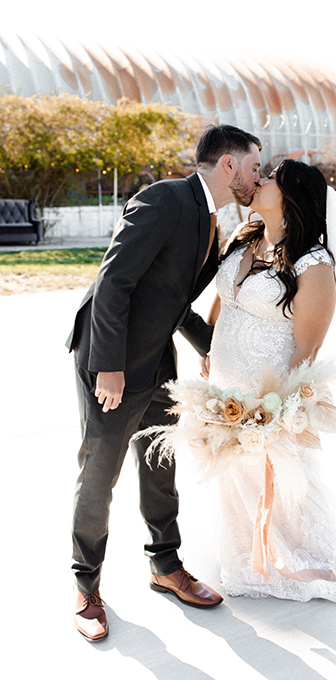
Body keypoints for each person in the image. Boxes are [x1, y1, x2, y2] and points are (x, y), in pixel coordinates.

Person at [66, 124, 262, 641]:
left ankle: (165, 565)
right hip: (112, 364)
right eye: (254, 166)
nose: (257, 177)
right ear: (228, 165)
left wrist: (212, 347)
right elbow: (115, 280)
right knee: (99, 475)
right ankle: (86, 586)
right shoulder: (164, 199)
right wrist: (109, 365)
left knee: (159, 464)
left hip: (157, 363)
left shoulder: (212, 218)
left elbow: (174, 297)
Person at [200, 158, 336, 602]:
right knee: (232, 477)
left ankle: (291, 557)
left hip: (267, 398)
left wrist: (277, 410)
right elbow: (223, 300)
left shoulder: (313, 265)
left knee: (279, 482)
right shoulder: (242, 238)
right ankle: (244, 551)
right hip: (223, 389)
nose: (259, 180)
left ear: (290, 198)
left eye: (270, 178)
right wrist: (209, 348)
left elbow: (308, 351)